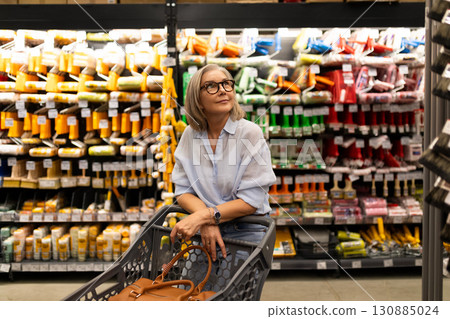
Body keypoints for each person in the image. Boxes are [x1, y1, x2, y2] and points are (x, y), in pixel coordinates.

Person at [169, 64, 276, 264]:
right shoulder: (189, 136)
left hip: (246, 229)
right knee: (193, 292)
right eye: (211, 86)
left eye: (227, 84)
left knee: (233, 293)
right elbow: (183, 190)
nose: (222, 90)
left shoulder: (250, 133)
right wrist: (207, 220)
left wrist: (203, 217)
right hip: (204, 230)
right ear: (197, 100)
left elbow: (250, 201)